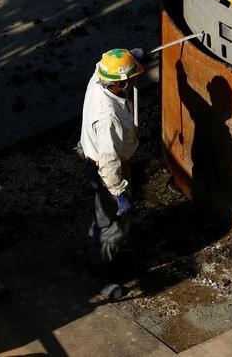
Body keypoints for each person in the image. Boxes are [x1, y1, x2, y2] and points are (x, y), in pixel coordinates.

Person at [79, 48, 144, 297]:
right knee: (113, 226)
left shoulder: (99, 77)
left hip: (96, 156)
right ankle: (97, 272)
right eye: (130, 78)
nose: (133, 81)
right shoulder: (107, 118)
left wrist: (132, 57)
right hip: (107, 170)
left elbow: (104, 62)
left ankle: (103, 249)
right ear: (120, 84)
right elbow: (109, 163)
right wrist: (119, 193)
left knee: (103, 218)